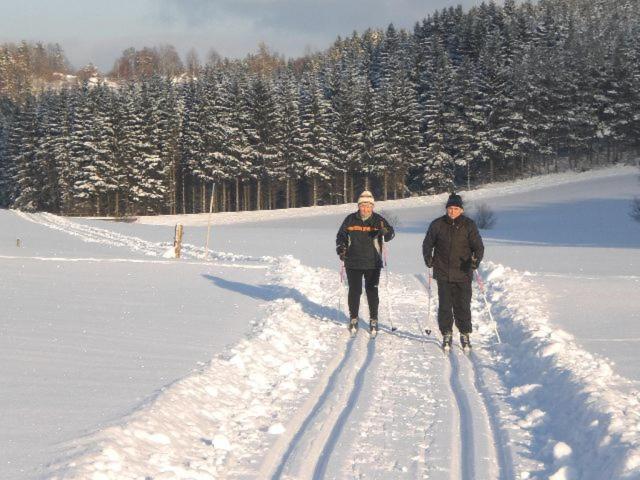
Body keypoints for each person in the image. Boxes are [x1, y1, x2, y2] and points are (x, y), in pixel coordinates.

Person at [422, 192, 484, 350]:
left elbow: (478, 246)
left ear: (461, 210)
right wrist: (428, 258)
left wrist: (476, 259)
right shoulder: (437, 224)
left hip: (463, 272)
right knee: (444, 305)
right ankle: (447, 333)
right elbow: (427, 243)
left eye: (456, 208)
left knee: (462, 305)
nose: (452, 211)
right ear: (446, 209)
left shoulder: (469, 225)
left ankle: (464, 333)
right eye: (450, 208)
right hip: (443, 271)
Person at [336, 190, 395, 335]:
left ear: (372, 206)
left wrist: (384, 231)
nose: (365, 209)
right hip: (353, 262)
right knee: (355, 291)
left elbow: (390, 235)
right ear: (358, 206)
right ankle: (354, 318)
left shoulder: (378, 220)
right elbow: (341, 236)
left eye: (368, 206)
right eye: (363, 205)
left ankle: (374, 319)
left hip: (372, 263)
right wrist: (341, 248)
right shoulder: (350, 220)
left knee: (372, 291)